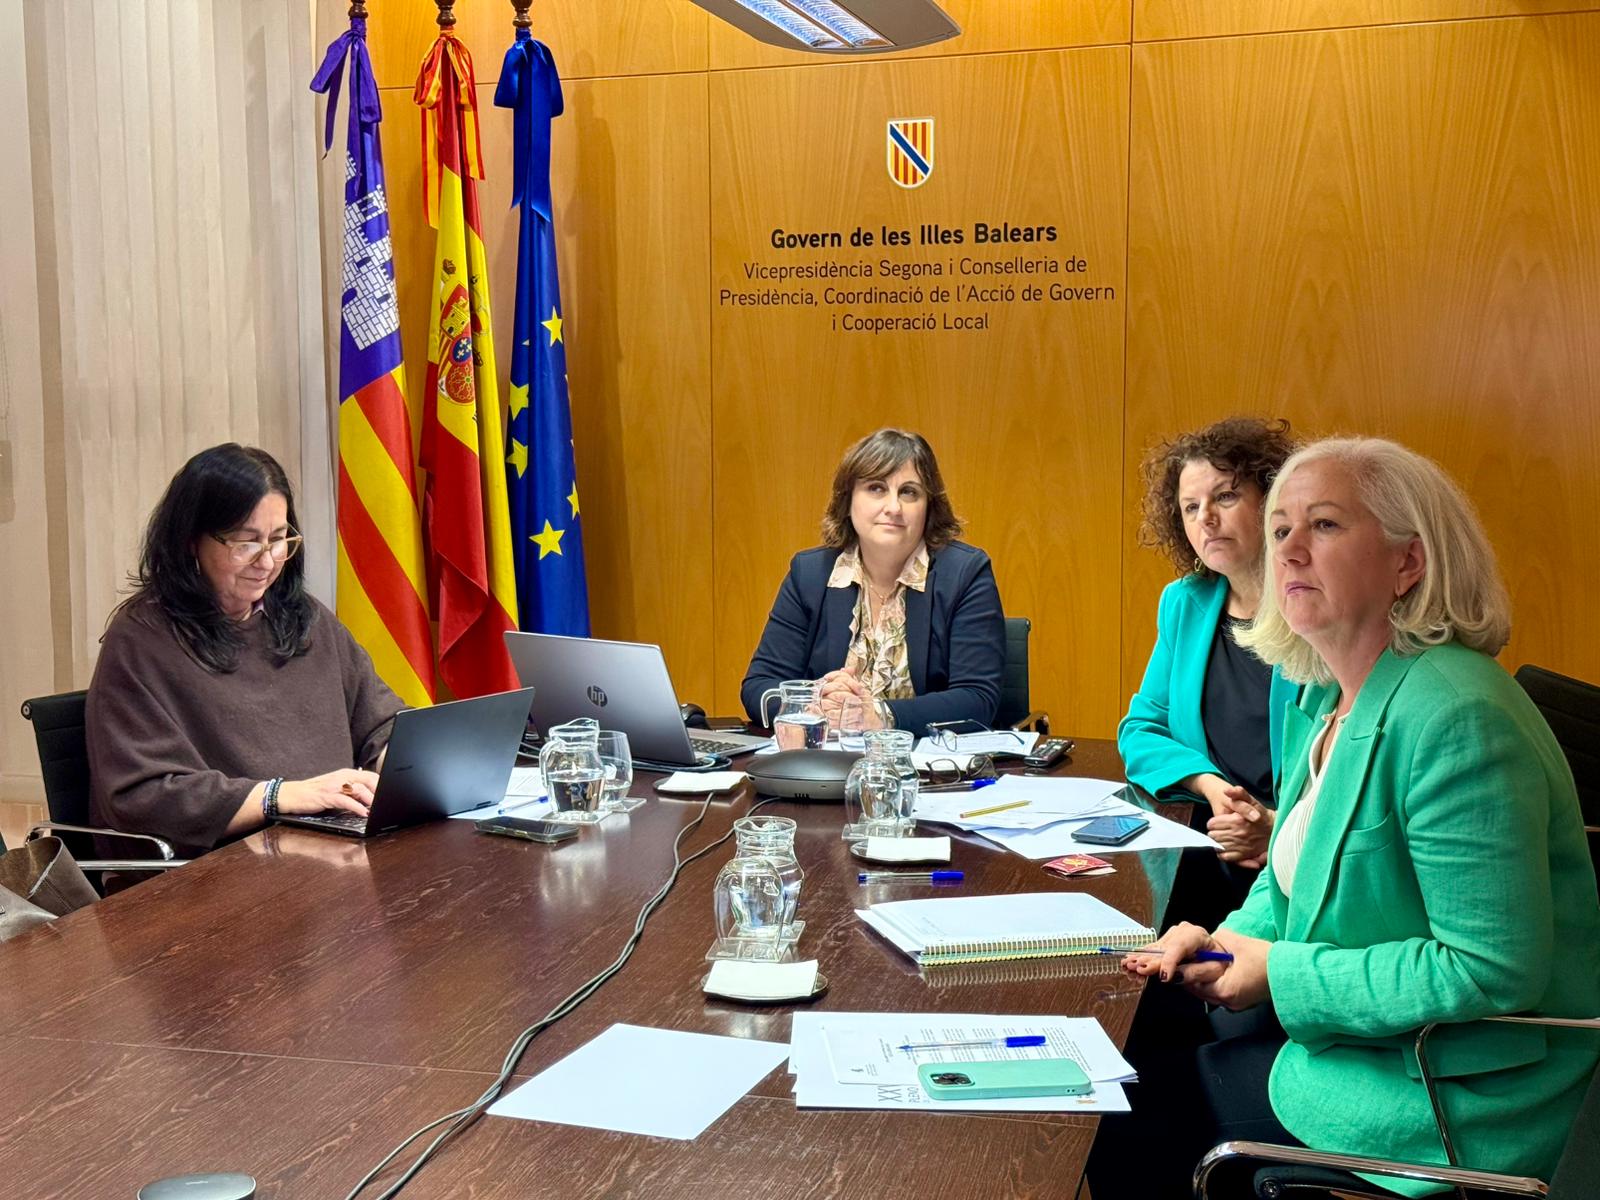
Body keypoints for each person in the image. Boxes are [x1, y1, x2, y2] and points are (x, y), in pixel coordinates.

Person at [1124, 437, 1600, 1193]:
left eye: (1325, 525)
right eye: (1281, 530)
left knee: (1136, 1115)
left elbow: (1491, 969)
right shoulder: (1323, 695)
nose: (1290, 551)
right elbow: (1289, 886)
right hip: (1362, 1050)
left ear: (1408, 563)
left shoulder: (1456, 714)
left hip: (1448, 1098)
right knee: (1139, 1051)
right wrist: (1227, 940)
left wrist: (1279, 972)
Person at [87, 444, 404, 857]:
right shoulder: (141, 638)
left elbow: (379, 722)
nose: (268, 561)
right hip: (215, 870)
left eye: (278, 540)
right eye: (246, 542)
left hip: (327, 848)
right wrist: (277, 797)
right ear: (190, 541)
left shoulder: (303, 617)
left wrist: (404, 764)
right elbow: (143, 795)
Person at [1119, 416, 1298, 887]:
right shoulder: (1185, 602)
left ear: (1272, 501)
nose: (1206, 519)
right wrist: (1211, 787)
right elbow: (1141, 730)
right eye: (1190, 507)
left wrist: (1274, 825)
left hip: (1300, 853)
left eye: (1225, 496)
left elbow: (1350, 768)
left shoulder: (1315, 605)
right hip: (1209, 836)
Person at [740, 428, 1005, 738]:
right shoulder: (810, 574)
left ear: (929, 507)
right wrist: (813, 704)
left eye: (909, 492)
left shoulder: (964, 573)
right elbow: (759, 686)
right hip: (825, 768)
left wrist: (879, 715)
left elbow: (978, 699)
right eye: (877, 488)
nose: (893, 507)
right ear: (848, 499)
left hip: (928, 774)